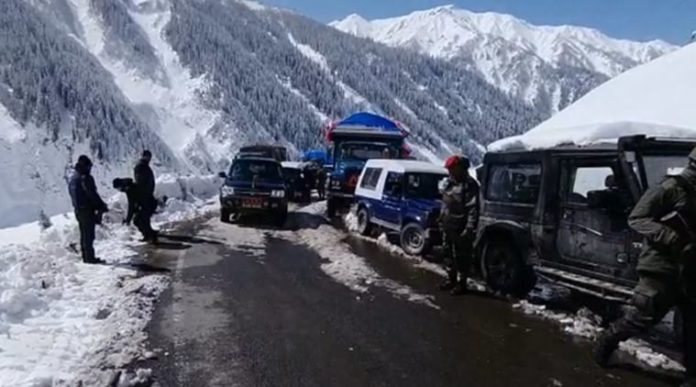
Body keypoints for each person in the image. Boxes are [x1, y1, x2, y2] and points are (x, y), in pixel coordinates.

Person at [594, 147, 696, 387]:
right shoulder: (670, 188)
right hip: (661, 270)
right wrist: (667, 235)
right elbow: (637, 218)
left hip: (691, 270)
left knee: (692, 326)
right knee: (640, 318)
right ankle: (606, 342)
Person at [439, 155, 480, 295]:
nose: (449, 171)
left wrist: (469, 228)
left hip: (460, 227)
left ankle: (462, 283)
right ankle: (451, 279)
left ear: (460, 168)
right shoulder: (450, 183)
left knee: (461, 256)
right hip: (448, 225)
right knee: (447, 253)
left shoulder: (469, 185)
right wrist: (441, 218)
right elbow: (445, 202)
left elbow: (473, 209)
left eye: (452, 169)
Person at [68, 155, 108, 264]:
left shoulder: (73, 178)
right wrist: (101, 205)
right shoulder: (85, 178)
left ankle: (85, 256)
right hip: (87, 210)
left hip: (78, 210)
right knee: (89, 235)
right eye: (89, 166)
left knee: (83, 234)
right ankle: (90, 258)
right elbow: (92, 193)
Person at [113, 178, 158, 243]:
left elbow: (131, 206)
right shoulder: (130, 187)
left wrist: (128, 219)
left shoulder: (130, 189)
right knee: (141, 220)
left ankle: (151, 236)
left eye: (118, 188)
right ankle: (149, 235)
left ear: (121, 185)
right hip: (148, 204)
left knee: (138, 220)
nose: (119, 190)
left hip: (149, 204)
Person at [133, 150, 158, 241]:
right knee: (141, 217)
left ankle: (148, 232)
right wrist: (142, 195)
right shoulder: (141, 167)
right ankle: (147, 234)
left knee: (145, 216)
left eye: (149, 157)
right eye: (147, 157)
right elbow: (140, 182)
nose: (149, 159)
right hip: (143, 196)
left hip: (147, 195)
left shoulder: (144, 166)